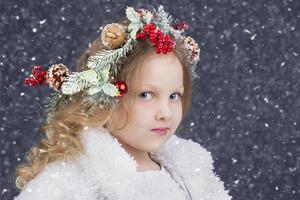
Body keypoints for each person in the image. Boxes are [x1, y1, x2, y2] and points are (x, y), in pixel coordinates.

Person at [14, 5, 232, 200]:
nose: (165, 113)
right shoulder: (74, 178)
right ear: (106, 97)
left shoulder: (190, 171)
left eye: (174, 96)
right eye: (146, 95)